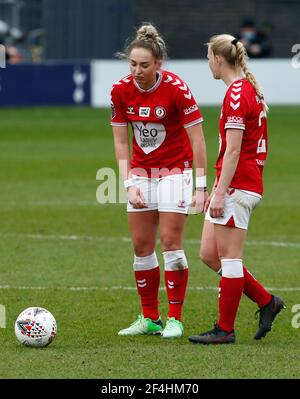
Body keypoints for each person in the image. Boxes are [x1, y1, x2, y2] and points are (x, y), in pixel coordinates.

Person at [110, 23, 207, 339]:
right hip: (140, 174)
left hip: (175, 172)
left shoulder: (177, 89)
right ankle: (150, 318)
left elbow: (198, 140)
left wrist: (201, 187)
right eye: (133, 64)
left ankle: (175, 318)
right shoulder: (120, 90)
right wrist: (128, 183)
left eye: (144, 65)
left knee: (170, 242)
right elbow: (122, 143)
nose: (137, 71)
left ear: (159, 64)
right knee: (140, 246)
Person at [188, 34, 285, 345]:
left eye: (208, 59)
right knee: (208, 254)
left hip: (238, 185)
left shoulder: (236, 95)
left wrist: (219, 192)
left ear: (218, 59)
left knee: (230, 259)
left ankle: (224, 330)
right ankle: (267, 301)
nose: (208, 65)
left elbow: (232, 151)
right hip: (234, 182)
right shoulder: (244, 89)